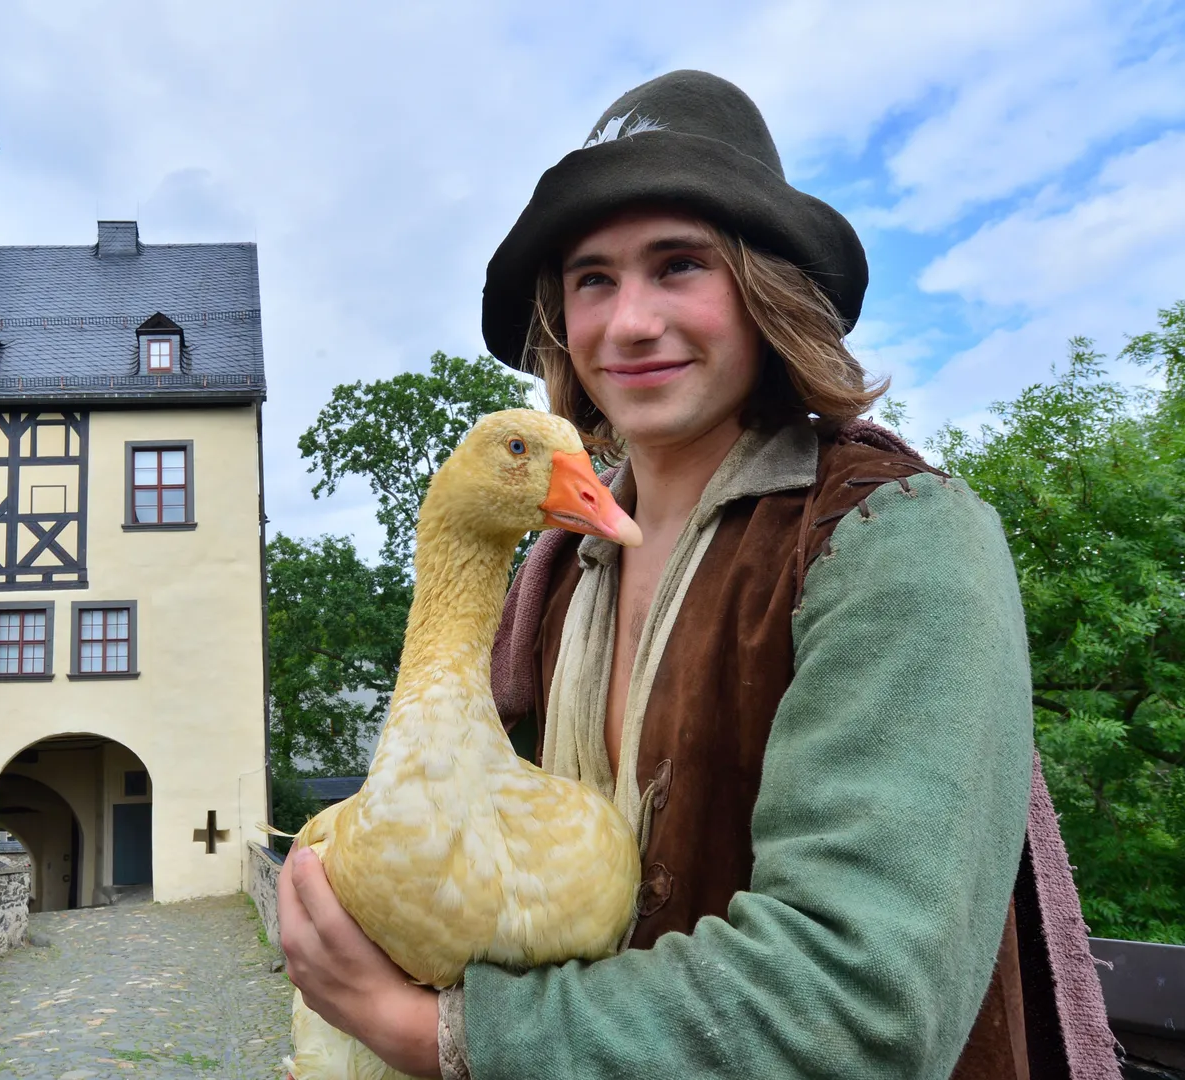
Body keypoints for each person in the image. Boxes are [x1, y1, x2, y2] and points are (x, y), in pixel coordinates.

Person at [277, 70, 1119, 1080]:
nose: (630, 321)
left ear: (767, 289)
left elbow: (857, 1005)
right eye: (593, 279)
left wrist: (431, 1033)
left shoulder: (898, 542)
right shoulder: (556, 580)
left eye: (679, 266)